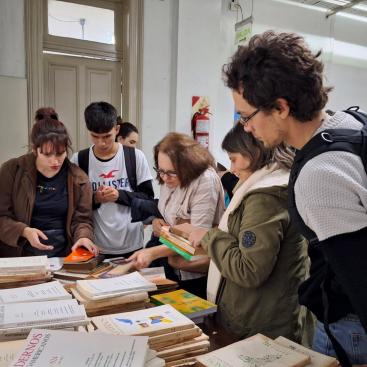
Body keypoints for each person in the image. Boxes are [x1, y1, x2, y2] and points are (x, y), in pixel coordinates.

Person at [222, 31, 367, 364]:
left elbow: (360, 279)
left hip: (349, 328)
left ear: (281, 107)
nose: (245, 128)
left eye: (246, 116)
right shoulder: (350, 122)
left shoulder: (320, 177)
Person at [189, 123, 307, 341]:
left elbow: (248, 269)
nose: (232, 169)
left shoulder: (265, 198)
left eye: (234, 159)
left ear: (255, 153)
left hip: (259, 323)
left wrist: (209, 236)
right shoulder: (270, 187)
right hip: (256, 314)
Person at [129, 132, 225, 298]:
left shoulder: (205, 180)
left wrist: (154, 251)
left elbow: (196, 237)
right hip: (170, 264)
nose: (165, 178)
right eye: (160, 171)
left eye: (172, 172)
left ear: (188, 166)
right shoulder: (168, 177)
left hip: (191, 274)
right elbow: (172, 217)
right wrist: (157, 222)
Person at [0, 117, 98, 257]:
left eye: (60, 153)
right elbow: (2, 216)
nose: (55, 161)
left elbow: (82, 220)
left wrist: (83, 237)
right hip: (19, 254)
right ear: (35, 149)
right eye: (47, 154)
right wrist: (24, 231)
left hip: (61, 256)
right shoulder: (12, 170)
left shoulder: (79, 179)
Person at [71, 102, 154, 257]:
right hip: (94, 247)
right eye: (95, 136)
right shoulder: (79, 159)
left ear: (117, 129)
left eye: (107, 136)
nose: (101, 143)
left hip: (132, 245)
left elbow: (148, 199)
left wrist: (119, 195)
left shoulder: (135, 157)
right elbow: (73, 205)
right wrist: (95, 198)